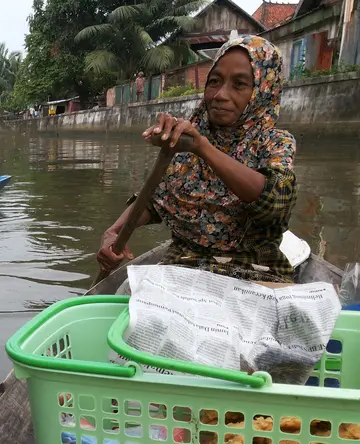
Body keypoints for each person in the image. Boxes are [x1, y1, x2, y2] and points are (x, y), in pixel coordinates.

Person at [97, 36, 297, 284]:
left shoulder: (276, 143)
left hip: (254, 272)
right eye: (214, 81)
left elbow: (275, 202)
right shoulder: (184, 138)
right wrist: (113, 233)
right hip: (184, 267)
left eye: (240, 84)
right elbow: (154, 202)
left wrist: (202, 147)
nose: (220, 95)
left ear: (263, 90)